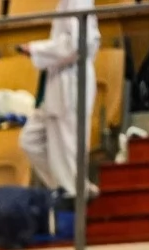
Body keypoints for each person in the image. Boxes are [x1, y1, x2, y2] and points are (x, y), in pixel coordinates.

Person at [18, 0, 100, 200]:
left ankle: (74, 195)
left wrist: (36, 49)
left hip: (72, 80)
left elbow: (77, 45)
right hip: (58, 78)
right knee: (30, 140)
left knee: (68, 146)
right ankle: (72, 188)